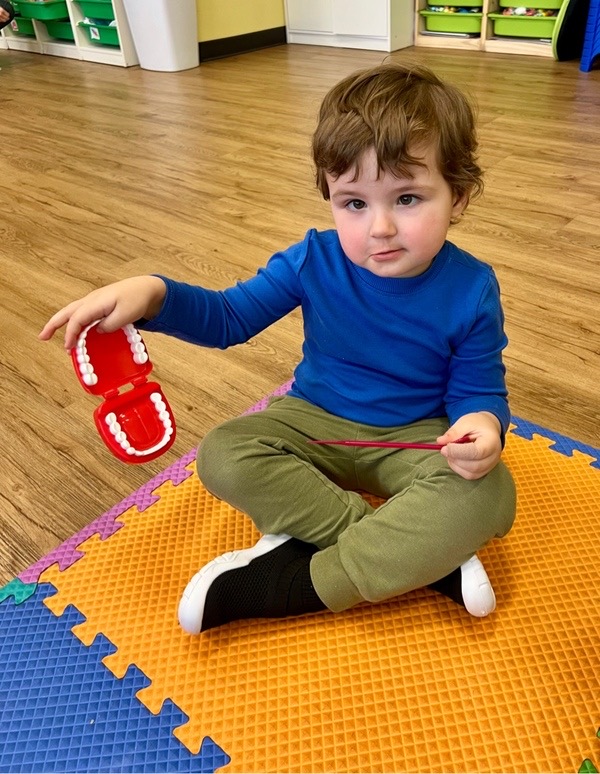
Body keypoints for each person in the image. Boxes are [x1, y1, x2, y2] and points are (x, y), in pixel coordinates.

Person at [40, 62, 517, 635]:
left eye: (408, 198)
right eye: (354, 203)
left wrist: (481, 425)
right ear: (330, 197)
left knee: (490, 492)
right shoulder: (312, 258)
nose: (380, 227)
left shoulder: (472, 288)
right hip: (313, 422)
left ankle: (294, 585)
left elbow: (478, 387)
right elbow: (229, 317)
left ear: (458, 197)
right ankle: (416, 556)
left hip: (413, 438)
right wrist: (154, 293)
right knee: (224, 452)